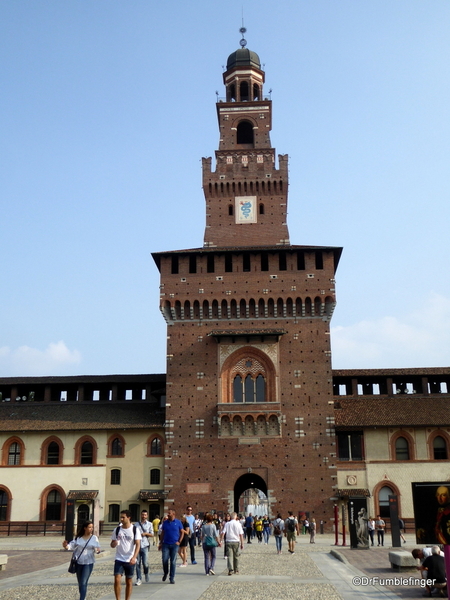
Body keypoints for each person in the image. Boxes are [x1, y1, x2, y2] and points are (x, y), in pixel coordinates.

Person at [63, 520, 100, 600]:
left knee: (83, 582)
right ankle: (83, 596)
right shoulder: (78, 538)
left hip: (89, 562)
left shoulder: (94, 538)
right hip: (78, 562)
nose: (91, 529)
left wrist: (97, 550)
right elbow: (70, 546)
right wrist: (65, 546)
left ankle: (82, 598)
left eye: (92, 527)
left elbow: (97, 549)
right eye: (89, 527)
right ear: (85, 528)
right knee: (80, 583)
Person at [110, 510, 141, 600]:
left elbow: (138, 544)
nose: (121, 519)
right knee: (117, 579)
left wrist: (134, 557)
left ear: (129, 517)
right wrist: (114, 544)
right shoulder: (117, 530)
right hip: (119, 558)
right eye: (121, 517)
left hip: (130, 558)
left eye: (123, 517)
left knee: (129, 581)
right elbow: (112, 544)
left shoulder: (134, 529)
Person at [159, 508, 184, 584]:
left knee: (173, 561)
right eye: (168, 513)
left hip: (174, 544)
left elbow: (182, 532)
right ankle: (166, 572)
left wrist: (179, 541)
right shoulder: (165, 523)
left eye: (169, 513)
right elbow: (163, 533)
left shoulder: (178, 522)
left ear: (173, 514)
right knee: (164, 560)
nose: (168, 514)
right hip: (166, 544)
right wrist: (160, 542)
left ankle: (172, 577)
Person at [220, 511, 244, 576]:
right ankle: (236, 569)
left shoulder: (227, 524)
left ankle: (230, 570)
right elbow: (241, 534)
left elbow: (223, 533)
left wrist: (221, 541)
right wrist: (242, 543)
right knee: (236, 556)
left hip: (228, 541)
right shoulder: (238, 524)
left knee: (229, 556)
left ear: (230, 517)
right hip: (236, 541)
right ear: (236, 517)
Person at [134, 510, 153, 585]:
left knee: (145, 563)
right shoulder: (136, 524)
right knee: (137, 563)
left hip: (145, 545)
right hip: (137, 546)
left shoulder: (149, 524)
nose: (143, 516)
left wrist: (145, 533)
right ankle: (139, 578)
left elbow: (152, 534)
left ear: (147, 516)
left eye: (145, 515)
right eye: (142, 515)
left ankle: (146, 572)